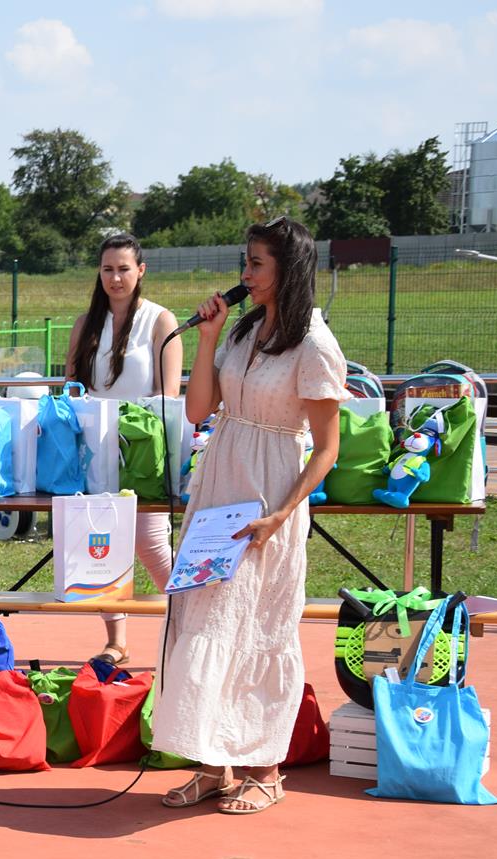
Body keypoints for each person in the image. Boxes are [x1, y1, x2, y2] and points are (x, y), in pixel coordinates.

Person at [154, 217, 347, 815]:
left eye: (256, 264)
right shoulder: (243, 331)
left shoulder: (314, 345)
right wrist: (208, 338)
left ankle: (266, 768)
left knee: (257, 625)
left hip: (268, 495)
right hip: (220, 484)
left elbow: (327, 447)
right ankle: (215, 765)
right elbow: (198, 409)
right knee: (205, 617)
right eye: (246, 261)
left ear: (286, 272)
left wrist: (284, 515)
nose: (245, 274)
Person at [64, 233, 182, 667]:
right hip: (94, 450)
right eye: (108, 268)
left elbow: (169, 392)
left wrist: (130, 423)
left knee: (152, 544)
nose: (115, 277)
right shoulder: (85, 323)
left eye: (124, 268)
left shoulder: (161, 321)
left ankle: (188, 627)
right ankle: (116, 641)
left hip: (142, 450)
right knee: (103, 544)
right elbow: (72, 388)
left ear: (141, 271)